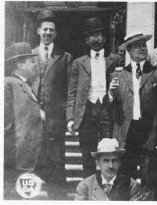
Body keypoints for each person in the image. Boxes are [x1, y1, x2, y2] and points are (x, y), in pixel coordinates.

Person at [109, 33, 157, 200]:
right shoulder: (118, 76)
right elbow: (114, 112)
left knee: (151, 178)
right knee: (124, 178)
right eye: (137, 46)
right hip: (128, 133)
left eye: (144, 45)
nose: (142, 48)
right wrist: (111, 95)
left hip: (151, 132)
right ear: (129, 50)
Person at [66, 17, 121, 177]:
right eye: (91, 35)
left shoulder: (115, 59)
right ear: (86, 39)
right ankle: (89, 185)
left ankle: (108, 185)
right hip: (86, 112)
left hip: (107, 111)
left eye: (99, 35)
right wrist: (70, 117)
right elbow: (72, 92)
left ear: (104, 38)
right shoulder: (78, 63)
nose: (96, 39)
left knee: (109, 150)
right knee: (87, 151)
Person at [31, 9, 73, 187]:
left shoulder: (65, 57)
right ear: (38, 31)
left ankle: (56, 193)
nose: (47, 33)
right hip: (33, 117)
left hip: (56, 117)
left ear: (55, 34)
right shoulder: (29, 56)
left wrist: (67, 115)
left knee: (56, 157)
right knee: (35, 156)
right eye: (44, 29)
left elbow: (70, 89)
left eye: (51, 30)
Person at [4, 42, 44, 199]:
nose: (35, 65)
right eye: (31, 61)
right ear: (19, 63)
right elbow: (6, 125)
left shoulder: (26, 85)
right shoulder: (8, 84)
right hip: (14, 158)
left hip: (27, 157)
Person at [75, 138, 152, 200]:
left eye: (114, 161)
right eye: (106, 161)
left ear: (120, 163)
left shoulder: (131, 186)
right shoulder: (85, 186)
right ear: (98, 164)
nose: (111, 166)